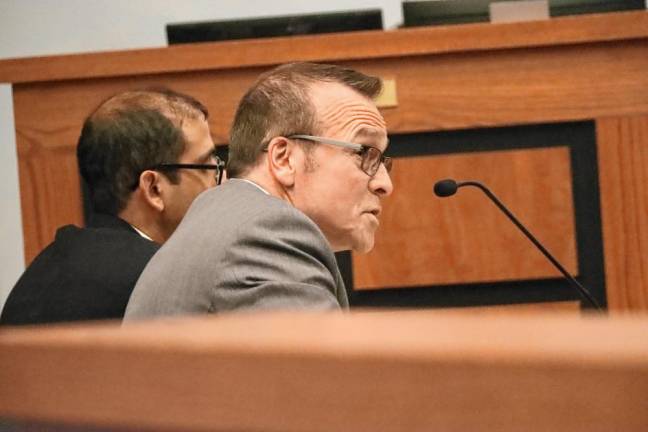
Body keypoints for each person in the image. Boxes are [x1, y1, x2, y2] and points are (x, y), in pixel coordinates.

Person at [124, 62, 393, 319]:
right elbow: (328, 367)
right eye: (365, 153)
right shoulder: (266, 236)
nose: (385, 184)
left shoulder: (226, 218)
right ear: (284, 159)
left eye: (382, 160)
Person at [1, 88, 223, 325]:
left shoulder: (45, 265)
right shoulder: (164, 278)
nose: (222, 182)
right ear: (154, 189)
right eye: (205, 168)